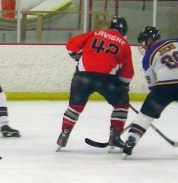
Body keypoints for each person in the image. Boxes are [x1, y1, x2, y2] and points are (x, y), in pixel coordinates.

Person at [117, 26, 178, 159]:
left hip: (164, 87)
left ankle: (131, 141)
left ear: (151, 39)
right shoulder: (175, 42)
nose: (143, 46)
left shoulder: (147, 58)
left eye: (144, 42)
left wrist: (153, 106)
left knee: (145, 115)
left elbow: (152, 85)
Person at [56, 16, 134, 151]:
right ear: (124, 30)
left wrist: (80, 58)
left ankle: (64, 134)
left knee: (75, 107)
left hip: (82, 76)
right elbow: (127, 73)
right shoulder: (124, 43)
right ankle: (114, 136)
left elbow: (71, 47)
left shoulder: (95, 33)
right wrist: (123, 88)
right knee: (121, 105)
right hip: (106, 79)